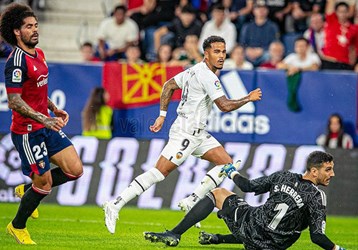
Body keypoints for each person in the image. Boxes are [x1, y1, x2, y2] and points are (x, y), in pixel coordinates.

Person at [102, 35, 262, 234]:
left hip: (199, 133)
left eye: (223, 51)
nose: (221, 56)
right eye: (216, 51)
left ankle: (191, 200)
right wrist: (249, 98)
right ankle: (115, 204)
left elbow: (168, 85)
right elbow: (224, 106)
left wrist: (162, 116)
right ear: (206, 53)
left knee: (226, 164)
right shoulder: (207, 76)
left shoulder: (194, 70)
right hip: (185, 133)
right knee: (159, 173)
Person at [144, 151, 346, 250]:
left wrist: (231, 172)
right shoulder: (316, 196)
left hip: (250, 226)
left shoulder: (282, 176)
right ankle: (218, 239)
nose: (333, 174)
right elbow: (317, 237)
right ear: (313, 171)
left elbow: (248, 186)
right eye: (328, 169)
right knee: (270, 229)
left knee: (218, 193)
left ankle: (175, 234)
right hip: (271, 246)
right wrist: (338, 249)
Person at [0, 3, 83, 244]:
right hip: (28, 132)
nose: (35, 30)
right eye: (29, 27)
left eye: (36, 25)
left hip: (46, 125)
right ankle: (17, 226)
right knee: (45, 183)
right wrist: (44, 119)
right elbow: (15, 101)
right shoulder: (15, 62)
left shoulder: (40, 54)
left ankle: (27, 191)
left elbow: (36, 91)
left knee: (74, 170)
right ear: (17, 32)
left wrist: (53, 108)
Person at [239, 1, 280, 66]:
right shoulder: (247, 27)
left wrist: (262, 50)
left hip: (265, 53)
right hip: (249, 53)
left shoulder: (273, 26)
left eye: (263, 8)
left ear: (267, 11)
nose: (261, 10)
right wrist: (248, 50)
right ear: (253, 11)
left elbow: (275, 43)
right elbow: (242, 43)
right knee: (239, 55)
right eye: (258, 8)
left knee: (269, 56)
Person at [321, 0, 356, 70]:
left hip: (344, 63)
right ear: (336, 12)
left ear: (348, 12)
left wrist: (351, 64)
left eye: (344, 11)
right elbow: (330, 3)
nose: (342, 14)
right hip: (329, 60)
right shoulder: (331, 21)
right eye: (340, 11)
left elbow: (353, 48)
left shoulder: (354, 28)